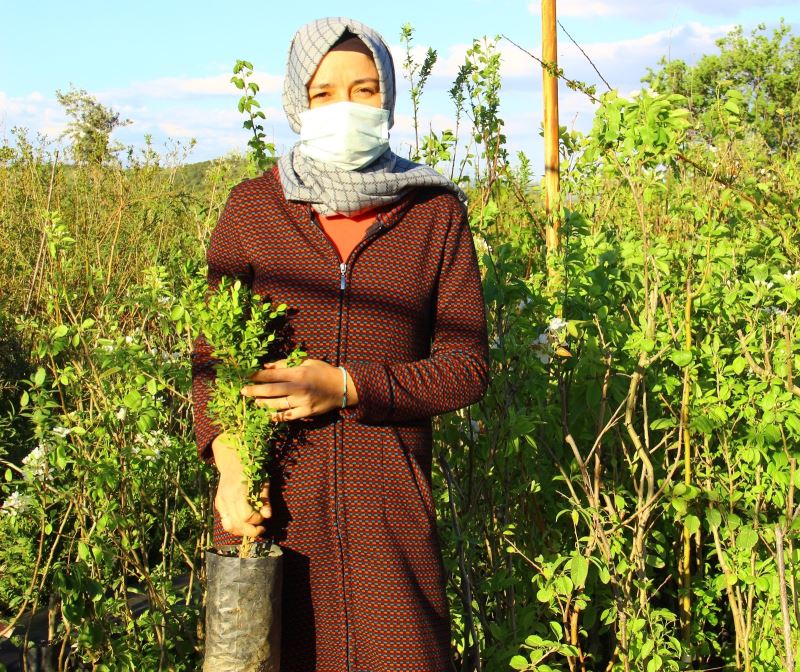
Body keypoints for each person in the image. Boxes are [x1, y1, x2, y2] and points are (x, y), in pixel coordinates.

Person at [192, 16, 489, 671]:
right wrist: (231, 467)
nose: (345, 109)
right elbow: (213, 363)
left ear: (389, 98)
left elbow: (466, 367)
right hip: (272, 515)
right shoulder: (252, 211)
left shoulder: (432, 212)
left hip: (390, 518)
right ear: (298, 102)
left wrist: (351, 386)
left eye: (364, 90)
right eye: (324, 94)